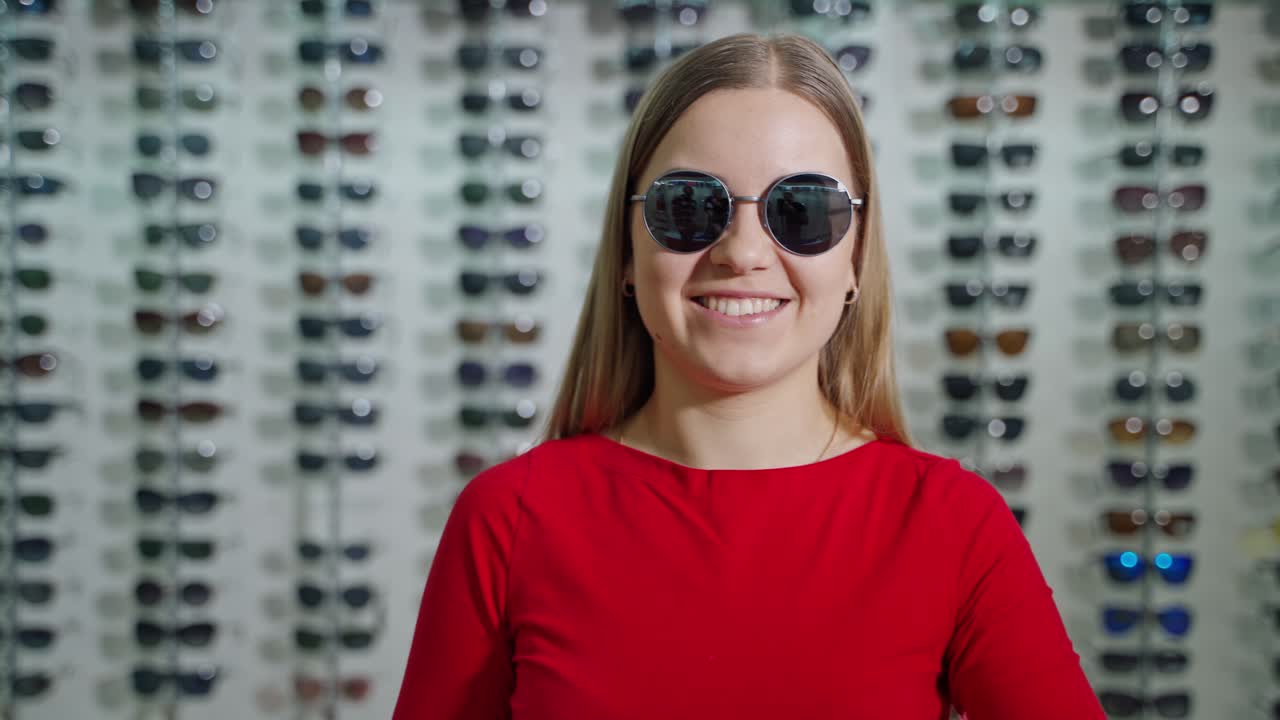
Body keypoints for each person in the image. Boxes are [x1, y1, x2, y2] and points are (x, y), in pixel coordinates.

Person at [392, 32, 1104, 719]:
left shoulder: (952, 525)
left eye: (802, 211)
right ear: (627, 256)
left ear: (854, 262)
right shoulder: (509, 520)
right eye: (690, 206)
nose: (742, 252)